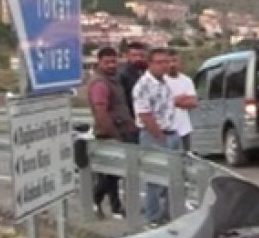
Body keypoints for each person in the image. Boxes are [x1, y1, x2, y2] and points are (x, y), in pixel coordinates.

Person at [85, 46, 138, 218]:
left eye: (113, 61)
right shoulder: (99, 83)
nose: (111, 65)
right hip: (110, 134)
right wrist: (115, 135)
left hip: (123, 130)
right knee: (110, 174)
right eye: (107, 62)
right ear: (99, 62)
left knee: (115, 174)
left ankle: (115, 207)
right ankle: (94, 199)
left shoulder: (113, 80)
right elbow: (101, 112)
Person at [131, 48, 181, 226]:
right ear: (150, 64)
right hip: (154, 135)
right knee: (154, 178)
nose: (165, 66)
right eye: (160, 62)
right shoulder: (143, 85)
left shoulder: (163, 83)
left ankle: (167, 214)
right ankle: (152, 217)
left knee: (171, 178)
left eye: (167, 62)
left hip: (171, 132)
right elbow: (145, 115)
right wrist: (160, 138)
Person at [164, 50, 198, 152]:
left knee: (186, 158)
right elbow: (161, 103)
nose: (172, 64)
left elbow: (193, 102)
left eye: (174, 61)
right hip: (168, 129)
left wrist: (172, 101)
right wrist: (182, 98)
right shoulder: (162, 81)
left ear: (180, 63)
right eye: (168, 62)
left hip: (184, 128)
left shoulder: (187, 80)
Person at [118, 41, 148, 116]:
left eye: (141, 55)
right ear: (128, 56)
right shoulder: (122, 75)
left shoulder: (147, 72)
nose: (138, 58)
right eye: (134, 55)